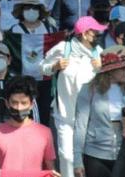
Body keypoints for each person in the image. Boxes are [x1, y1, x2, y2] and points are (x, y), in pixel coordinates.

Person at [40, 16, 105, 177]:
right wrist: (55, 66)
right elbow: (42, 67)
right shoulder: (63, 48)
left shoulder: (99, 52)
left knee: (86, 158)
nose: (98, 35)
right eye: (95, 32)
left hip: (90, 119)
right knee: (67, 156)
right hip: (65, 115)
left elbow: (106, 83)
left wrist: (102, 68)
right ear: (84, 34)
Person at [74, 52, 125, 177]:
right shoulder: (89, 89)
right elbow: (80, 125)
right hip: (94, 154)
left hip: (124, 153)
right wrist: (77, 160)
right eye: (123, 68)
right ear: (110, 70)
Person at [0, 76, 56, 172]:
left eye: (24, 103)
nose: (19, 107)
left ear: (31, 105)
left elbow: (50, 170)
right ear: (7, 103)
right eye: (14, 102)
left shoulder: (44, 133)